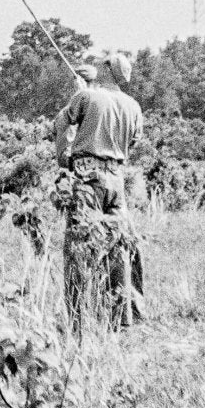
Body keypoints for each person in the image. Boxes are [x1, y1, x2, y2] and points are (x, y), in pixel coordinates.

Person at [51, 52, 146, 329]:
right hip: (117, 179)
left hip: (88, 178)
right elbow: (134, 140)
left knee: (80, 246)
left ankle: (79, 322)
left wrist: (64, 157)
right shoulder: (133, 105)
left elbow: (60, 123)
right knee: (119, 245)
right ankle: (123, 317)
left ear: (106, 69)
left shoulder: (87, 97)